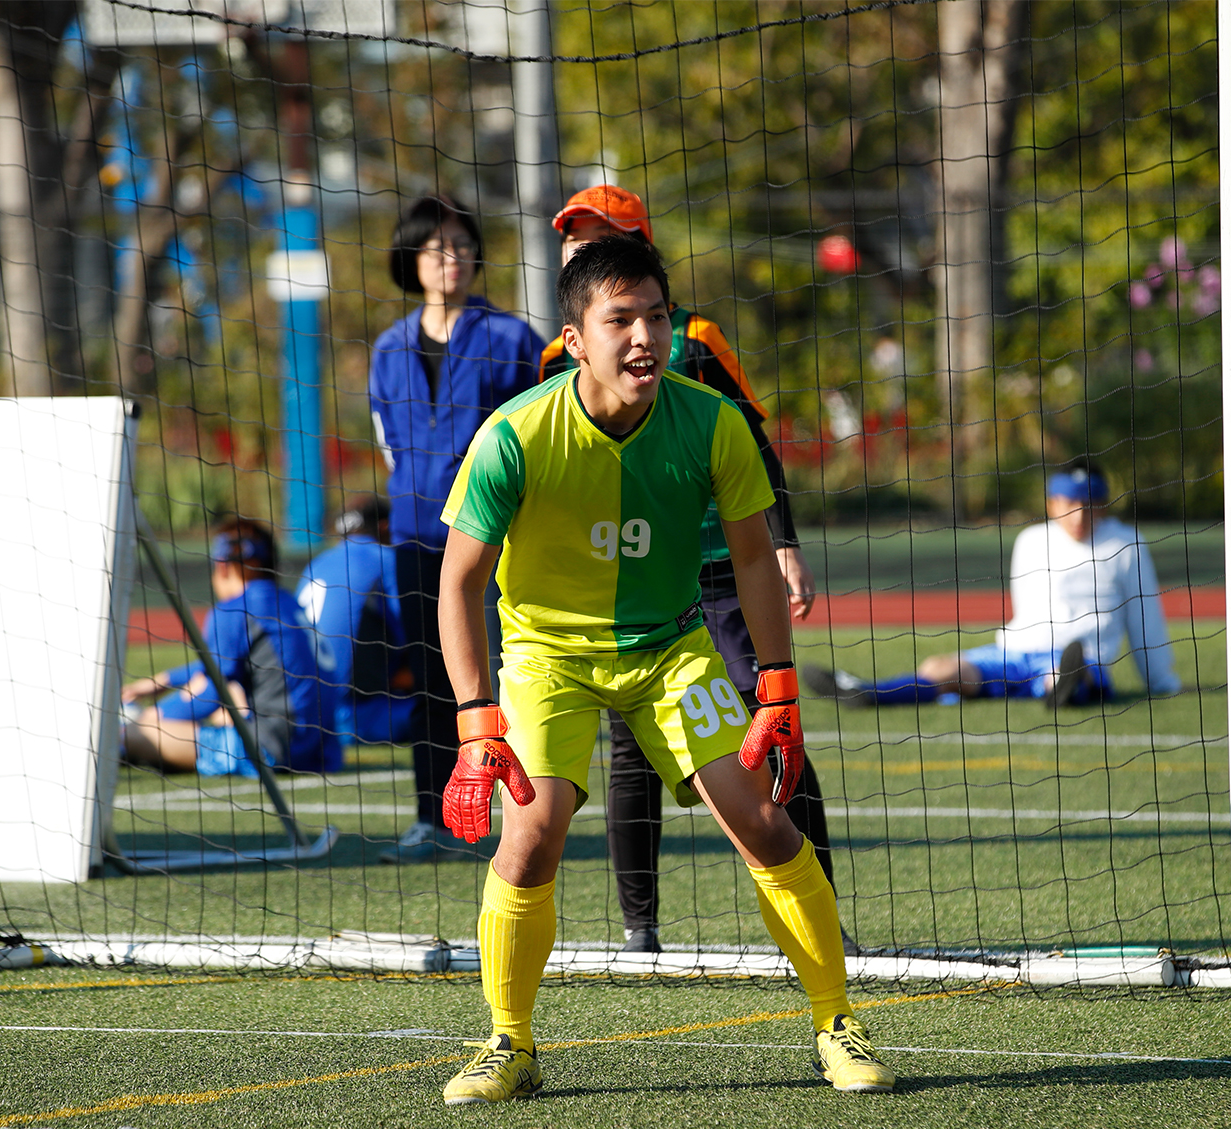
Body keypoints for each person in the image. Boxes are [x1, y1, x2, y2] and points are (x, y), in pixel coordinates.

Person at [432, 234, 895, 1105]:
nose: (644, 336)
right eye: (620, 320)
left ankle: (837, 1022)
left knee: (762, 816)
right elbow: (457, 580)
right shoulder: (514, 435)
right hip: (546, 659)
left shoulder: (712, 421)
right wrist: (475, 719)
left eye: (656, 315)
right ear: (575, 339)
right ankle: (509, 1043)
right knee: (531, 836)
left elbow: (755, 562)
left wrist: (779, 689)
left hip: (673, 649)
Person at [538, 184, 848, 956]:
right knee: (627, 754)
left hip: (715, 568)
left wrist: (784, 542)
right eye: (573, 237)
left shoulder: (694, 339)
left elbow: (753, 443)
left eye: (598, 233)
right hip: (627, 582)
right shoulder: (555, 357)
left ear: (640, 242)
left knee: (769, 726)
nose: (580, 245)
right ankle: (639, 928)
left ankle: (826, 913)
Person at [370, 192, 543, 862]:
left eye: (463, 245)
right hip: (414, 537)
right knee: (430, 677)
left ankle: (521, 819)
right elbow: (387, 441)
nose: (454, 257)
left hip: (495, 539)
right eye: (438, 246)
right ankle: (432, 818)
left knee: (507, 676)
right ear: (410, 260)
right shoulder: (387, 348)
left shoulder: (513, 339)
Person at [806, 460, 1182, 710]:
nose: (1080, 515)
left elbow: (1144, 613)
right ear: (1052, 503)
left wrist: (1161, 679)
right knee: (942, 667)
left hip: (1082, 655)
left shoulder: (1126, 543)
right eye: (1070, 503)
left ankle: (1065, 690)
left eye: (1090, 504)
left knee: (1064, 673)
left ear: (1104, 505)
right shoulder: (1032, 540)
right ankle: (867, 692)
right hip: (1015, 652)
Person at [122, 517, 330, 775]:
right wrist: (165, 679)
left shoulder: (235, 608)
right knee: (229, 709)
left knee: (132, 735)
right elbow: (243, 662)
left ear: (221, 566)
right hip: (322, 752)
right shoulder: (288, 604)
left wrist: (155, 715)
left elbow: (213, 688)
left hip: (271, 750)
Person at [295, 494, 414, 753]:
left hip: (305, 714)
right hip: (359, 717)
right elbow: (416, 639)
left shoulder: (315, 564)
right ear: (385, 527)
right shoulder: (386, 559)